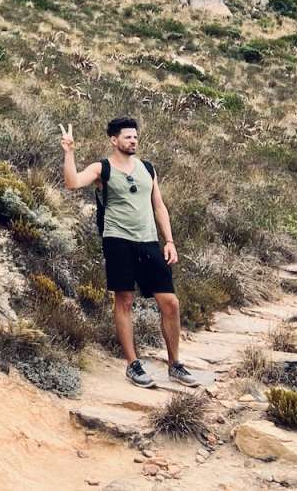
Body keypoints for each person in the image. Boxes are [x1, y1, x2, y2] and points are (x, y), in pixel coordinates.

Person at [60, 116, 199, 389]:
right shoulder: (103, 168)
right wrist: (69, 153)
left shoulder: (148, 168)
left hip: (148, 241)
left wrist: (169, 241)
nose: (133, 140)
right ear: (114, 140)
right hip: (118, 240)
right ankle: (132, 364)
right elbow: (73, 183)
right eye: (127, 137)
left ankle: (175, 365)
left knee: (170, 302)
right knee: (124, 300)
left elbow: (159, 206)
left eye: (135, 136)